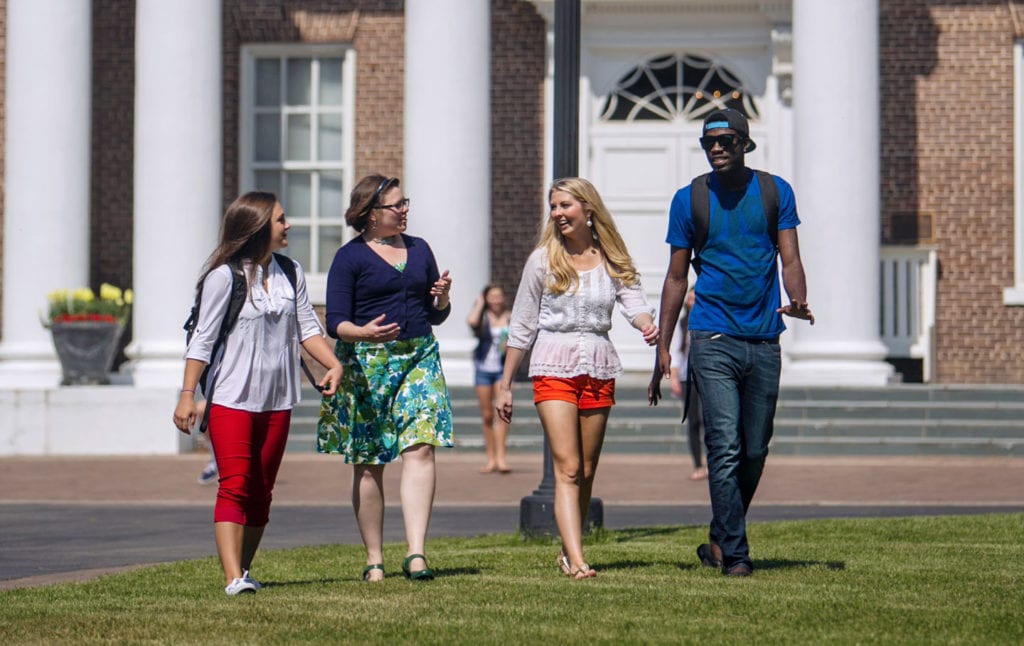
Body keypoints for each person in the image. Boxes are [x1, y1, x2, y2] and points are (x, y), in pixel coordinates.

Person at [654, 108, 814, 577]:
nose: (717, 149)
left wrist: (798, 299)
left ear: (745, 143)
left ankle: (720, 537)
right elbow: (675, 277)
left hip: (764, 337)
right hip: (712, 335)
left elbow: (791, 258)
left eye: (726, 141)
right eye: (709, 143)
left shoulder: (774, 191)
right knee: (723, 446)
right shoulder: (690, 200)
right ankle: (737, 556)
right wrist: (664, 346)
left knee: (756, 449)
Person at [173, 191, 344, 596]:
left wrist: (334, 364)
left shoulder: (291, 271)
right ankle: (233, 578)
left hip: (278, 398)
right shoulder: (223, 277)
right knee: (234, 484)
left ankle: (244, 569)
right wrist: (186, 394)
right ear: (257, 227)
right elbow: (201, 340)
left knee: (262, 489)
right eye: (281, 220)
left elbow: (307, 328)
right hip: (231, 397)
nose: (289, 226)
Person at [496, 177, 658, 581]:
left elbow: (632, 299)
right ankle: (578, 559)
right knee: (567, 468)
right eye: (553, 207)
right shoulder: (542, 260)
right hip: (553, 365)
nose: (557, 214)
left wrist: (645, 324)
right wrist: (505, 383)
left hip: (599, 366)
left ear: (588, 209)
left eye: (564, 205)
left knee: (585, 469)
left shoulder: (610, 257)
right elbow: (522, 324)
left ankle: (569, 551)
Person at [317, 174, 454, 583]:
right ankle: (374, 558)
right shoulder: (350, 257)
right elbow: (335, 321)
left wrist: (442, 298)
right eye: (396, 205)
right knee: (369, 461)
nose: (405, 209)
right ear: (371, 214)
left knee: (421, 449)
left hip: (419, 357)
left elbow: (435, 314)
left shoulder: (420, 248)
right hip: (366, 363)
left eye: (404, 202)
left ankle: (416, 553)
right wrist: (364, 333)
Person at [467, 284, 512, 474]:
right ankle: (490, 458)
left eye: (498, 296)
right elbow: (471, 322)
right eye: (491, 296)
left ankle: (501, 458)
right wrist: (479, 304)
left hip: (502, 370)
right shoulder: (483, 317)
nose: (495, 300)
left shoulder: (510, 317)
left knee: (502, 413)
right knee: (487, 415)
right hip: (483, 369)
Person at [669, 286, 707, 481]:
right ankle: (698, 465)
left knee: (709, 421)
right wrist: (673, 378)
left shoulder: (709, 322)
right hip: (687, 378)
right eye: (689, 299)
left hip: (707, 377)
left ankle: (714, 462)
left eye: (695, 299)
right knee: (693, 421)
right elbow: (675, 351)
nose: (691, 303)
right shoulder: (682, 324)